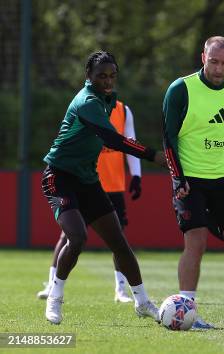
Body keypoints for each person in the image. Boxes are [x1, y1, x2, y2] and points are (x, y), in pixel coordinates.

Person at [42, 51, 166, 324]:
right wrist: (153, 155)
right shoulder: (86, 101)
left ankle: (143, 302)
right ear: (89, 76)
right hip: (59, 177)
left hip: (87, 179)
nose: (108, 81)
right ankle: (55, 297)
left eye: (112, 75)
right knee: (77, 237)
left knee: (119, 243)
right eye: (101, 76)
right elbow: (113, 139)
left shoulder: (107, 100)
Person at [162, 37, 224, 330]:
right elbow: (169, 137)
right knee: (197, 242)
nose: (219, 69)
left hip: (223, 178)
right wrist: (178, 177)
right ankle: (186, 311)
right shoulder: (180, 89)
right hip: (190, 179)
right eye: (214, 62)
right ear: (203, 56)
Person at [37, 100, 143, 303]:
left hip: (113, 186)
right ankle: (52, 284)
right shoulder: (83, 107)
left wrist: (136, 175)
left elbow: (130, 141)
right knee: (69, 236)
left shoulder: (123, 110)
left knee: (117, 238)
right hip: (86, 184)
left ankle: (120, 289)